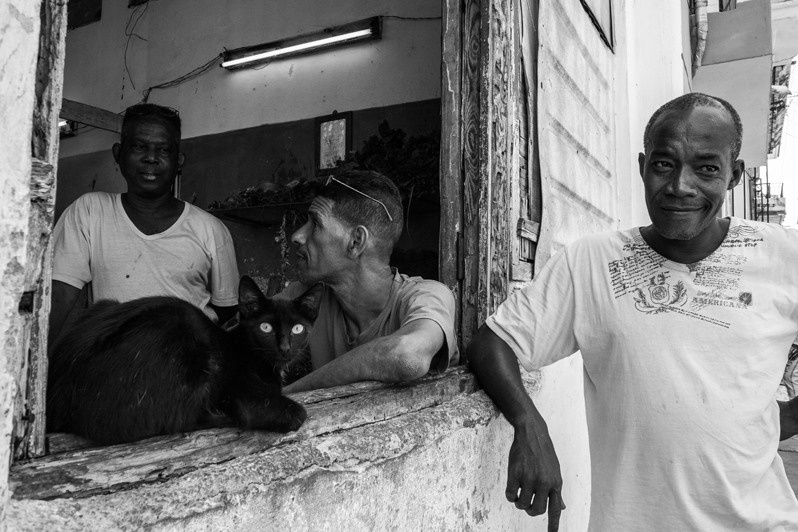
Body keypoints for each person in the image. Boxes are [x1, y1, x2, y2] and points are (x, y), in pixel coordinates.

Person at [468, 93, 798, 530]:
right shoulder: (590, 263)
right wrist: (529, 425)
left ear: (734, 175)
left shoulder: (783, 255)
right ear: (643, 167)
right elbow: (493, 343)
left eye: (706, 168)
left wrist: (772, 422)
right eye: (664, 164)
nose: (680, 185)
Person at [50, 103, 239, 343]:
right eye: (139, 146)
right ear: (118, 153)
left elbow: (227, 310)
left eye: (164, 150)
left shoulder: (210, 229)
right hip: (111, 362)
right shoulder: (89, 212)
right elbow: (58, 297)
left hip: (187, 362)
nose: (151, 158)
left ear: (179, 160)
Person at [280, 170, 459, 393]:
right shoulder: (306, 296)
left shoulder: (426, 296)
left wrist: (288, 394)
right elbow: (242, 336)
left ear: (356, 242)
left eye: (315, 224)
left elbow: (407, 357)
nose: (297, 236)